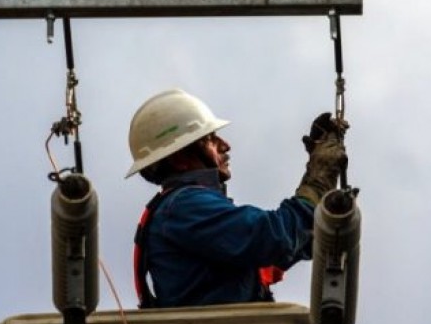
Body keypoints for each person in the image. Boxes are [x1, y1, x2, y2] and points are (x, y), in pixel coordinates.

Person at [127, 89, 348, 308]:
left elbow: (282, 247)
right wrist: (318, 179)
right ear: (180, 159)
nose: (225, 145)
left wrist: (321, 196)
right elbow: (274, 238)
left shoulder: (181, 210)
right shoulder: (184, 207)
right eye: (210, 139)